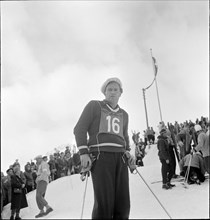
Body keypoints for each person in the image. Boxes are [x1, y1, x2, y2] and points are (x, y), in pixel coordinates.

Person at [74, 77, 135, 219]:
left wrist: (128, 153)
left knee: (123, 203)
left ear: (121, 93)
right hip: (101, 156)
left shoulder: (124, 114)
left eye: (116, 90)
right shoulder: (94, 106)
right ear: (104, 92)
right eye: (109, 89)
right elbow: (79, 129)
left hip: (120, 158)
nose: (112, 92)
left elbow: (124, 136)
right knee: (105, 203)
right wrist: (83, 152)